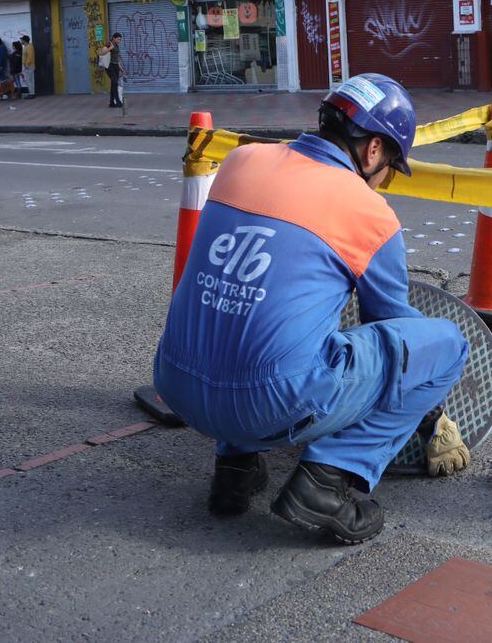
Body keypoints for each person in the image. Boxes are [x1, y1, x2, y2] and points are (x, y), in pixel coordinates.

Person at [152, 74, 470, 545]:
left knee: (245, 310)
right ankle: (327, 479)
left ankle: (235, 468)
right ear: (374, 150)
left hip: (177, 382)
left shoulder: (241, 160)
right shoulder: (368, 210)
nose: (383, 181)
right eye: (389, 167)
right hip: (267, 402)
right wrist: (430, 412)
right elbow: (391, 327)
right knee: (446, 346)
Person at [100, 33, 124, 108]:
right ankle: (117, 101)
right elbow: (102, 53)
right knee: (115, 82)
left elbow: (116, 58)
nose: (119, 41)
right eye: (118, 39)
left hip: (116, 66)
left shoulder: (117, 45)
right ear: (114, 38)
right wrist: (110, 48)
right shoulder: (109, 44)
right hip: (110, 66)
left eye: (120, 39)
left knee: (114, 84)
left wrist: (120, 68)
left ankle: (111, 102)